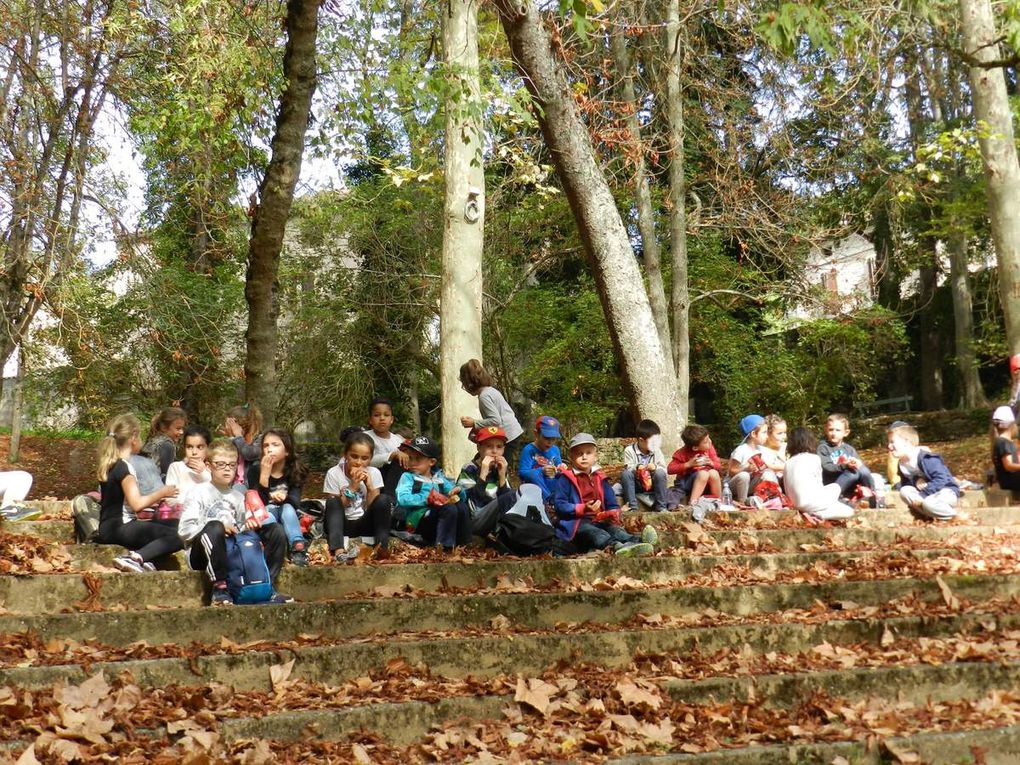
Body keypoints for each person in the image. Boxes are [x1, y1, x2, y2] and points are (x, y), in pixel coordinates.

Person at [178, 439, 290, 605]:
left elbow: (241, 531)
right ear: (208, 466)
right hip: (201, 554)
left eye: (231, 465)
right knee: (215, 526)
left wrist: (249, 525)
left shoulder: (238, 496)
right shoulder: (198, 493)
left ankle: (266, 585)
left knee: (275, 530)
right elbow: (184, 530)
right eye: (220, 464)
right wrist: (219, 527)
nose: (227, 469)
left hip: (232, 551)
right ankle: (220, 587)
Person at [95, 414, 183, 573]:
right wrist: (162, 492)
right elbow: (137, 504)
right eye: (140, 436)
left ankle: (149, 559)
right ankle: (136, 558)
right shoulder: (124, 467)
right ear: (133, 438)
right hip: (120, 527)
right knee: (178, 537)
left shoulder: (110, 463)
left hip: (109, 527)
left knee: (176, 524)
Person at [551, 433, 657, 556]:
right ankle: (616, 547)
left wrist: (613, 512)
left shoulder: (600, 478)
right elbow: (560, 505)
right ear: (571, 456)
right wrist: (583, 508)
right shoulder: (565, 479)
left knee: (616, 531)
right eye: (579, 453)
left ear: (595, 456)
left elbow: (611, 502)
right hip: (577, 523)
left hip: (600, 519)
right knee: (596, 533)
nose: (584, 457)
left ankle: (639, 542)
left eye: (588, 453)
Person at [323, 430, 393, 563]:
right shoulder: (334, 473)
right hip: (341, 524)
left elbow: (372, 508)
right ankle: (339, 550)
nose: (359, 462)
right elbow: (336, 507)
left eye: (364, 458)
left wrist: (370, 488)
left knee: (383, 499)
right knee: (332, 500)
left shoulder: (374, 473)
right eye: (354, 457)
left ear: (370, 458)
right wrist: (353, 487)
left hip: (363, 522)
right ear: (345, 456)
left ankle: (381, 548)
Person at [395, 435, 472, 551]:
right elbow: (402, 498)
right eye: (410, 458)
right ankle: (443, 548)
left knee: (461, 507)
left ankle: (464, 545)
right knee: (448, 509)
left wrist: (458, 491)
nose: (413, 463)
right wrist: (427, 498)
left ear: (432, 462)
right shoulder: (408, 477)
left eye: (418, 459)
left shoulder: (440, 479)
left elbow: (458, 494)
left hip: (438, 519)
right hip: (416, 521)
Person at [245, 428, 309, 566]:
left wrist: (284, 497)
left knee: (286, 508)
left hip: (288, 515)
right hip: (267, 519)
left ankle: (298, 546)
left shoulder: (296, 470)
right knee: (268, 511)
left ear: (287, 451)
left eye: (275, 445)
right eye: (266, 446)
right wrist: (264, 477)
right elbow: (257, 504)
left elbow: (295, 502)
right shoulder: (255, 470)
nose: (269, 449)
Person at [888, 422, 959, 521]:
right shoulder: (902, 464)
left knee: (929, 503)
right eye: (888, 443)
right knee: (905, 491)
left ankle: (954, 516)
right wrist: (915, 480)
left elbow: (942, 479)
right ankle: (931, 514)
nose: (889, 446)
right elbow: (906, 484)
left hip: (945, 492)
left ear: (906, 442)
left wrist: (923, 495)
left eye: (892, 442)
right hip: (926, 496)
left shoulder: (926, 458)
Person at [458, 359, 524, 465]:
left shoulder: (484, 396)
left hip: (508, 436)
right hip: (513, 432)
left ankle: (499, 480)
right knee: (481, 459)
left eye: (464, 384)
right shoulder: (491, 391)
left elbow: (495, 421)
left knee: (495, 464)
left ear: (469, 384)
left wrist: (474, 423)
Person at [783, 427, 854, 521]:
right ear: (810, 441)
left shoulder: (788, 462)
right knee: (845, 505)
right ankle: (819, 515)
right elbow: (818, 485)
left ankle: (813, 512)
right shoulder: (814, 458)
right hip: (811, 502)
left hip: (795, 504)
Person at [459, 426, 516, 515]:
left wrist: (502, 477)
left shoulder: (501, 468)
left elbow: (508, 503)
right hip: (477, 517)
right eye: (489, 446)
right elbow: (471, 504)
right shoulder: (469, 469)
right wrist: (483, 475)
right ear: (479, 447)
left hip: (499, 516)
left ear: (504, 449)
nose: (494, 451)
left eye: (499, 447)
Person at [818, 413, 874, 499]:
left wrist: (856, 464)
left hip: (851, 484)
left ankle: (871, 494)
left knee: (863, 470)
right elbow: (827, 467)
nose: (833, 433)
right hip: (833, 482)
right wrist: (845, 465)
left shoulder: (849, 449)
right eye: (831, 430)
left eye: (838, 430)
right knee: (852, 474)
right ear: (826, 430)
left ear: (846, 433)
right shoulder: (823, 448)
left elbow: (859, 467)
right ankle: (832, 496)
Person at [619, 419, 669, 512]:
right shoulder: (630, 450)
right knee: (625, 474)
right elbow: (628, 467)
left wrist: (655, 467)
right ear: (641, 440)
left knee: (660, 473)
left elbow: (664, 471)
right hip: (637, 483)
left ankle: (661, 507)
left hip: (652, 484)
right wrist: (637, 467)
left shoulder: (656, 451)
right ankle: (632, 508)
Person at [164, 424, 212, 518]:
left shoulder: (213, 469)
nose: (194, 452)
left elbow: (216, 495)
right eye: (189, 447)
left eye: (200, 447)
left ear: (208, 448)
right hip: (180, 517)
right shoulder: (176, 467)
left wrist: (204, 473)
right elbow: (170, 498)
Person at [728, 414, 778, 503]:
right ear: (754, 434)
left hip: (750, 485)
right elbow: (731, 471)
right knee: (744, 475)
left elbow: (772, 467)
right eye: (764, 432)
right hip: (735, 486)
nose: (767, 436)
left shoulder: (763, 450)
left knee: (768, 473)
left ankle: (768, 500)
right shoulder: (741, 450)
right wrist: (746, 469)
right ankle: (742, 502)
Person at [668, 424, 722, 506]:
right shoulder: (682, 453)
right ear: (695, 448)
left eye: (709, 438)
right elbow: (670, 469)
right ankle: (693, 502)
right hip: (687, 482)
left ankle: (717, 499)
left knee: (713, 473)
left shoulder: (709, 448)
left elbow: (719, 466)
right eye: (706, 442)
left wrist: (711, 462)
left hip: (705, 483)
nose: (710, 442)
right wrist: (688, 464)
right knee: (703, 474)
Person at [365, 398, 408, 495]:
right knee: (397, 458)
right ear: (370, 420)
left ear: (392, 419)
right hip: (371, 480)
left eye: (386, 415)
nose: (382, 418)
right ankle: (389, 499)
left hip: (394, 481)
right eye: (377, 415)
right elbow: (364, 461)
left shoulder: (399, 440)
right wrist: (390, 456)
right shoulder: (364, 437)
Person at [518, 415, 563, 502]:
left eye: (553, 439)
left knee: (567, 475)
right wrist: (541, 470)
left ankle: (561, 499)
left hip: (552, 484)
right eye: (546, 438)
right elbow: (522, 473)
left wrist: (561, 468)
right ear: (536, 434)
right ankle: (548, 500)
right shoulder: (529, 450)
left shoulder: (555, 449)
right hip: (535, 486)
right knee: (534, 475)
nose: (550, 442)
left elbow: (558, 468)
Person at [223, 403, 263, 488]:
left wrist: (237, 436)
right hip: (233, 485)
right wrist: (230, 438)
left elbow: (249, 454)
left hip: (251, 487)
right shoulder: (236, 440)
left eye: (231, 424)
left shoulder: (261, 440)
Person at [141, 407, 187, 480]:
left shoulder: (153, 439)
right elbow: (167, 476)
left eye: (182, 428)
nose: (182, 432)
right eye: (178, 429)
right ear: (164, 427)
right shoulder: (167, 445)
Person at [990, 406, 1020, 491]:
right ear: (1012, 425)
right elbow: (1008, 466)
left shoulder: (1007, 442)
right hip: (1011, 481)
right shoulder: (1003, 442)